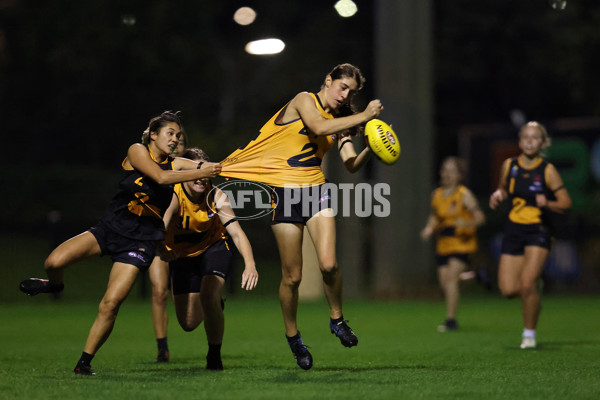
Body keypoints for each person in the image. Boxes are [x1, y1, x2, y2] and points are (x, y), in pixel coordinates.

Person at [19, 111, 223, 375]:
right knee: (53, 261)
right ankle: (55, 284)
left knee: (111, 303)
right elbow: (160, 178)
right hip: (109, 229)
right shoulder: (137, 150)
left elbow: (204, 168)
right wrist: (201, 170)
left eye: (178, 136)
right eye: (169, 133)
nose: (174, 139)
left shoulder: (177, 163)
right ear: (153, 134)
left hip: (139, 242)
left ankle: (84, 363)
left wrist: (224, 167)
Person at [220, 63, 383, 370]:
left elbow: (349, 163)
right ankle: (294, 338)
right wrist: (364, 116)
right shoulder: (304, 100)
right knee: (292, 276)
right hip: (284, 194)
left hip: (316, 192)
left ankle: (337, 319)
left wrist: (373, 148)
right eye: (342, 87)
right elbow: (317, 128)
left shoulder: (341, 119)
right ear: (328, 80)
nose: (345, 94)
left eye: (351, 91)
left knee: (329, 264)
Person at [149, 147, 258, 369]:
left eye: (203, 170)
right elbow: (159, 226)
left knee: (209, 295)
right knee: (188, 323)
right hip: (182, 255)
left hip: (214, 247)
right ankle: (215, 304)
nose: (200, 177)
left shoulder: (216, 195)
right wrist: (161, 248)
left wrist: (250, 264)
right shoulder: (174, 195)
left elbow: (236, 232)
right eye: (194, 170)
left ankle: (214, 355)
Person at [489, 121, 571, 349]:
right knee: (508, 290)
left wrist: (549, 202)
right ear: (519, 140)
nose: (529, 141)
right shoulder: (510, 165)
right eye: (525, 137)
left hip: (538, 230)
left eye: (535, 137)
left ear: (543, 143)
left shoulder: (547, 170)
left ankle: (529, 335)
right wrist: (498, 195)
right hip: (514, 229)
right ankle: (534, 298)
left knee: (526, 284)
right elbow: (503, 189)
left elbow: (566, 202)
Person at [420, 156, 485, 332]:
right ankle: (472, 277)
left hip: (462, 243)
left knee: (450, 280)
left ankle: (451, 321)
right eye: (444, 170)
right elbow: (435, 216)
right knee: (445, 282)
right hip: (443, 244)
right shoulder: (437, 194)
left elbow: (479, 218)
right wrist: (429, 228)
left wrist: (466, 223)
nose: (446, 174)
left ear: (459, 175)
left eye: (451, 171)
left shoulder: (464, 195)